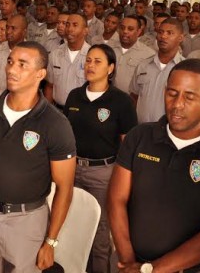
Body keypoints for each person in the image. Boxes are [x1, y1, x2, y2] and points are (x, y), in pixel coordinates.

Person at [108, 59, 200, 273]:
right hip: (126, 262)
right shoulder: (139, 136)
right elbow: (116, 199)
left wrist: (150, 270)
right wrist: (128, 261)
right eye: (172, 93)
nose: (177, 104)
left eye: (189, 96)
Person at [0, 41, 77, 272]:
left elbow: (64, 188)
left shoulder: (55, 123)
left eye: (22, 64)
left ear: (40, 74)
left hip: (26, 220)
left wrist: (50, 241)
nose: (11, 69)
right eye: (10, 62)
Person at [64, 44, 138, 273]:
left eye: (98, 61)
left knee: (99, 228)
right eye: (88, 60)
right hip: (72, 169)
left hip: (102, 172)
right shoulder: (74, 96)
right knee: (72, 222)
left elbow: (128, 144)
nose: (91, 65)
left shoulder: (121, 101)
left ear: (111, 68)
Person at [129, 18, 185, 123]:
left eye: (170, 33)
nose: (163, 36)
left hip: (170, 132)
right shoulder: (143, 65)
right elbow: (134, 96)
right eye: (160, 32)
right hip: (142, 130)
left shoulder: (185, 69)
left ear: (181, 38)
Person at [45, 13, 90, 109]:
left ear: (85, 31)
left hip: (82, 112)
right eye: (68, 25)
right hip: (58, 110)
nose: (69, 29)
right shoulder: (55, 54)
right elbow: (49, 86)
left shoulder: (91, 56)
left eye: (75, 25)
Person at [109, 16, 156, 94]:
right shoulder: (109, 48)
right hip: (107, 98)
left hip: (131, 102)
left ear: (138, 32)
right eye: (122, 28)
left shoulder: (149, 55)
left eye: (130, 29)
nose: (125, 31)